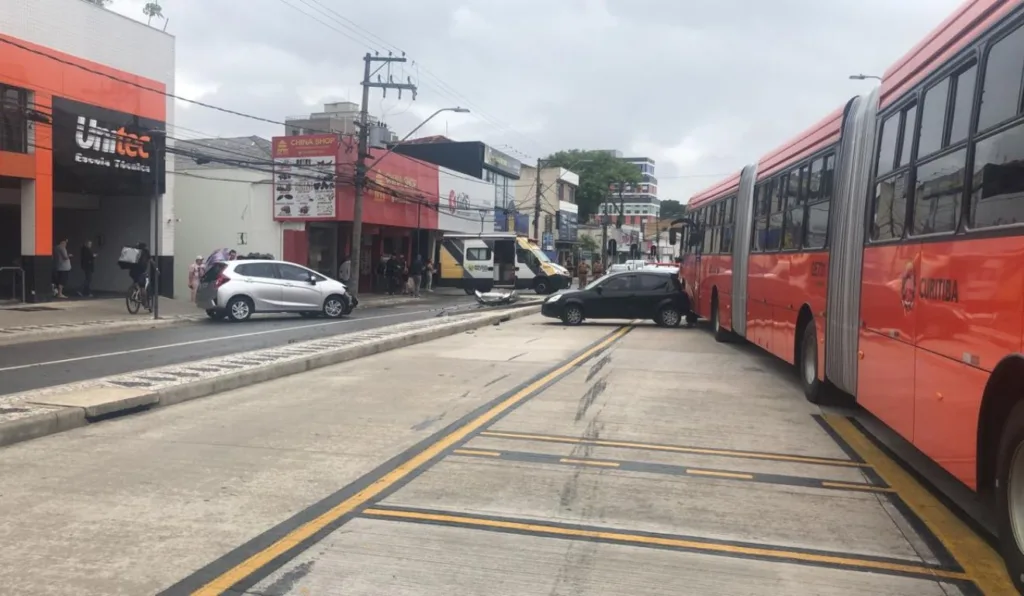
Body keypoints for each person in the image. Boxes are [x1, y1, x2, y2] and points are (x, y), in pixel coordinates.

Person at [129, 242, 153, 308]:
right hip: (140, 272)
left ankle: (133, 292)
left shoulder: (135, 251)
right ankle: (145, 304)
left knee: (136, 281)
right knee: (142, 287)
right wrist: (156, 268)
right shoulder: (146, 252)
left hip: (132, 272)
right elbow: (151, 261)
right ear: (145, 247)